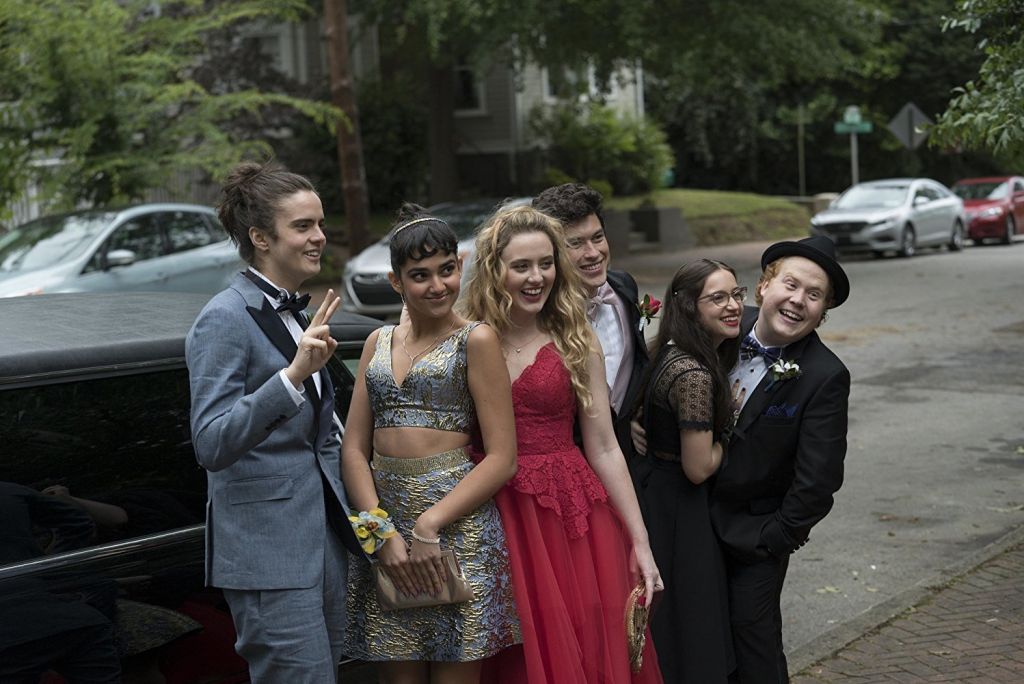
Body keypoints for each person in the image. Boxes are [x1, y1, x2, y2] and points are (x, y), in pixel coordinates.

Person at [461, 204, 663, 683]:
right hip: (489, 512)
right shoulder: (464, 337)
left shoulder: (575, 337)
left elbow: (605, 447)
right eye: (521, 266)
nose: (537, 278)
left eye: (546, 264)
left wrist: (640, 540)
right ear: (494, 270)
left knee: (582, 646)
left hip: (567, 518)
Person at [186, 161, 363, 683]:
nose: (320, 237)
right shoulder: (223, 317)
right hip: (267, 556)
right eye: (303, 226)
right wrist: (291, 377)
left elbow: (320, 440)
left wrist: (372, 523)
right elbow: (211, 442)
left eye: (320, 223)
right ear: (260, 237)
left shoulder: (297, 314)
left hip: (323, 546)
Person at [341, 204, 520, 683]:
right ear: (396, 282)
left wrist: (429, 525)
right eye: (420, 275)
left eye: (446, 270)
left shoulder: (476, 340)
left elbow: (503, 458)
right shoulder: (377, 342)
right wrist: (379, 532)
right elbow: (354, 450)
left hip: (455, 531)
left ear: (460, 266)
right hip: (388, 537)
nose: (438, 285)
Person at [710, 236, 851, 683]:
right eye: (790, 285)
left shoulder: (825, 376)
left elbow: (818, 480)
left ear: (822, 312)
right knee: (697, 640)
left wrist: (774, 538)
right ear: (763, 286)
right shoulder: (719, 328)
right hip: (689, 522)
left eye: (814, 295)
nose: (798, 300)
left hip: (753, 538)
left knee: (754, 647)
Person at [631, 259, 743, 682]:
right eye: (718, 298)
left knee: (669, 628)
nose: (733, 305)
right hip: (680, 508)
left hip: (655, 496)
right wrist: (729, 429)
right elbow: (699, 467)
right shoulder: (694, 375)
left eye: (736, 294)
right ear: (690, 307)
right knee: (691, 629)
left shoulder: (668, 351)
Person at [533, 183, 649, 456]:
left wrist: (633, 414)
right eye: (575, 243)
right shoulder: (536, 315)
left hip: (630, 455)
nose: (594, 253)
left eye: (598, 237)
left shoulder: (624, 288)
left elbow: (637, 367)